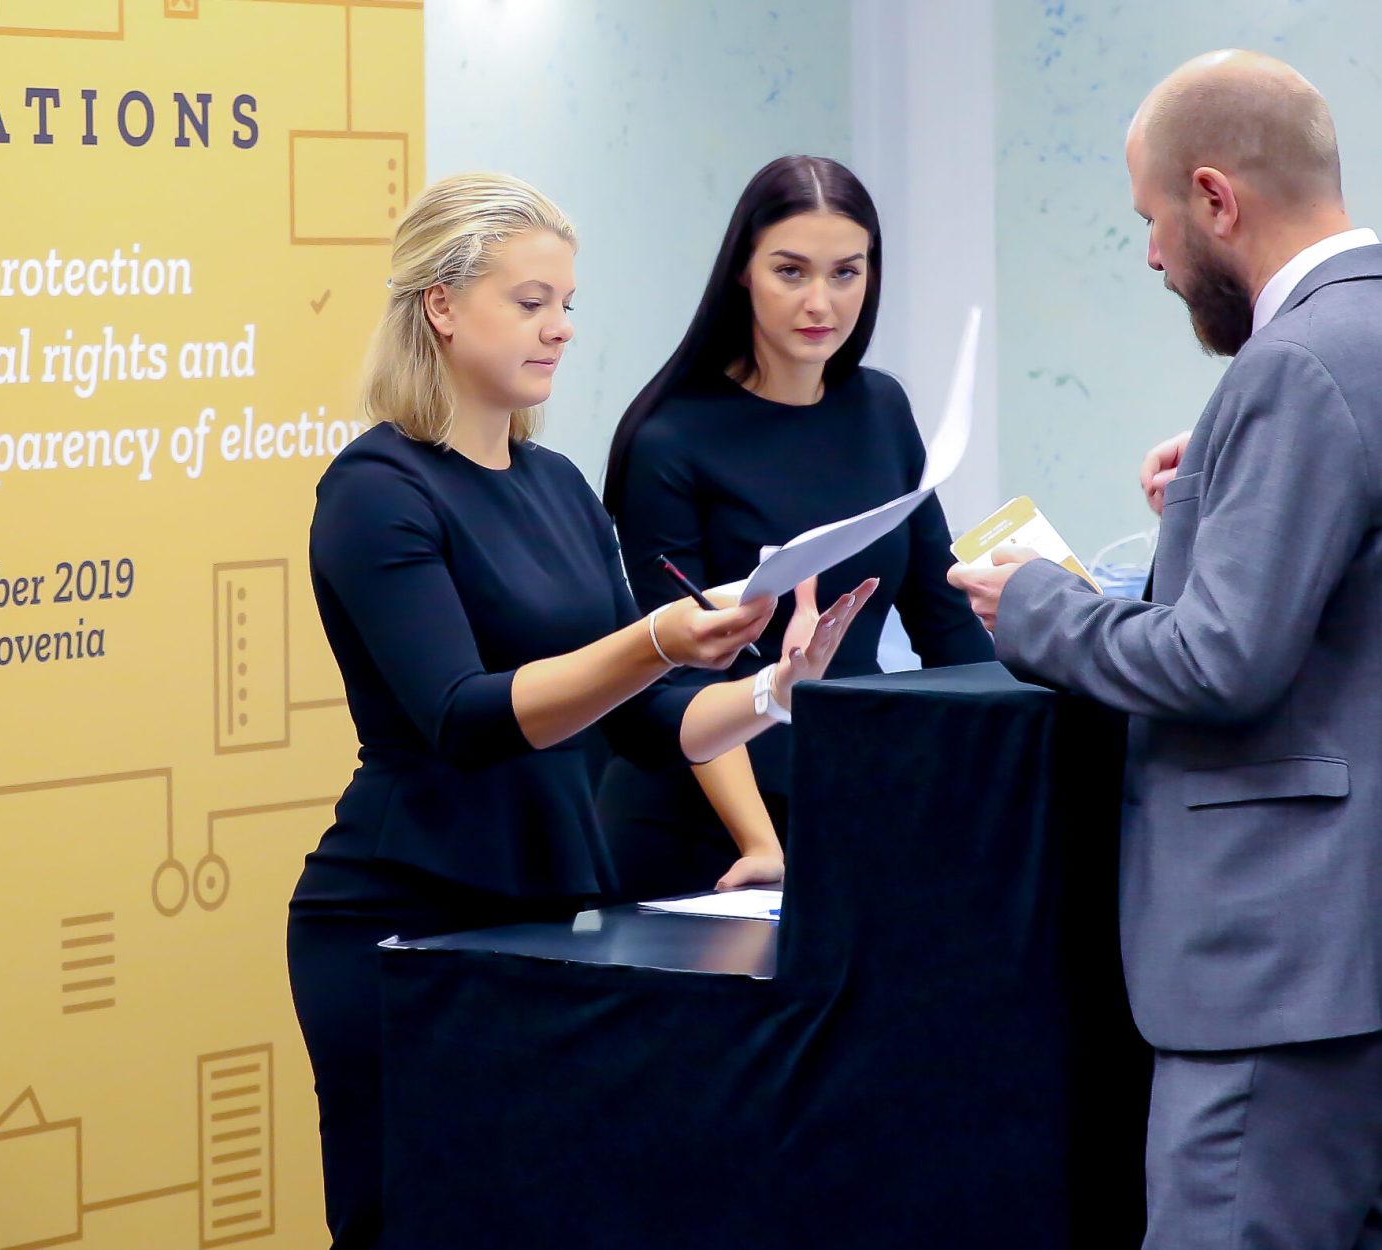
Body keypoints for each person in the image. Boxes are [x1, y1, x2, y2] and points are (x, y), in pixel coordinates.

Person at [286, 171, 876, 1250]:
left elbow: (648, 725)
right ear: (441, 305)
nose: (560, 327)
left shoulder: (557, 484)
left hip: (552, 916)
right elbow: (463, 717)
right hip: (404, 916)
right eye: (531, 302)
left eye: (567, 303)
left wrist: (772, 692)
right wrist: (655, 641)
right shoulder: (375, 490)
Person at [948, 51, 1382, 1249]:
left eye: (1152, 220)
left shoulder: (1296, 362)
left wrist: (1038, 605)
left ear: (1215, 198)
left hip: (1277, 963)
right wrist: (1215, 496)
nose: (1150, 255)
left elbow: (1221, 661)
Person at [597, 155, 992, 901]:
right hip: (707, 829)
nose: (821, 302)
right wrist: (762, 844)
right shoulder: (668, 439)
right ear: (741, 272)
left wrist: (1024, 743)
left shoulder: (883, 410)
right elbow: (676, 675)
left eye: (845, 273)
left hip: (853, 793)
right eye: (790, 272)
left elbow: (946, 624)